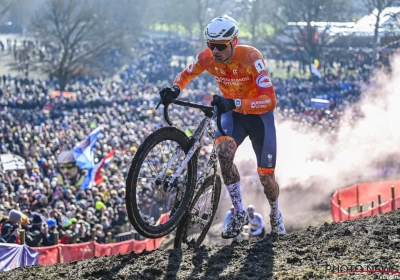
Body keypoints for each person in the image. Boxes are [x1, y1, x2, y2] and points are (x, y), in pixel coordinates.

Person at [159, 15, 286, 239]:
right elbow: (187, 74)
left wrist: (235, 102)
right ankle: (239, 213)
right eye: (210, 44)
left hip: (258, 116)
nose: (214, 51)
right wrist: (175, 89)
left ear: (233, 42)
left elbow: (270, 100)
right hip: (233, 115)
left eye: (219, 46)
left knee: (266, 178)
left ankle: (275, 213)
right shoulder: (207, 57)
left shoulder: (251, 57)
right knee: (223, 153)